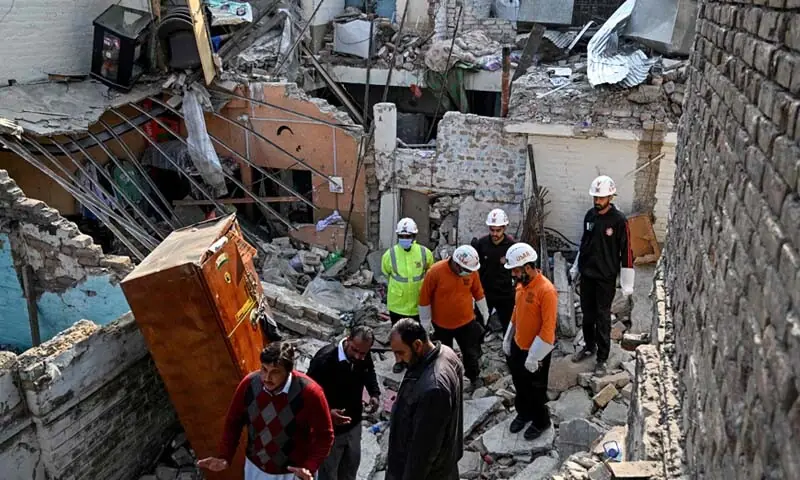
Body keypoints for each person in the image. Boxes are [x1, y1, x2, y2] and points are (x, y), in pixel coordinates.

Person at [198, 342, 334, 480]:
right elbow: (233, 422)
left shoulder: (310, 393)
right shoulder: (250, 384)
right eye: (264, 369)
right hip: (256, 469)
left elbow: (325, 435)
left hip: (293, 474)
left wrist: (310, 466)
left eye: (275, 372)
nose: (267, 378)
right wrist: (225, 456)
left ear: (288, 371)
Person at [570, 175, 635, 374]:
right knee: (587, 316)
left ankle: (602, 357)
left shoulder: (619, 221)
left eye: (602, 198)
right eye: (596, 198)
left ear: (610, 197)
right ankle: (589, 346)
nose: (598, 201)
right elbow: (584, 243)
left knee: (602, 316)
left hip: (605, 277)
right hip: (588, 274)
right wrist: (576, 267)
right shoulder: (590, 216)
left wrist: (626, 282)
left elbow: (627, 251)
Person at [385, 319, 463, 480]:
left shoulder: (433, 388)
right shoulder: (446, 353)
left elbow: (423, 452)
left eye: (400, 353)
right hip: (444, 463)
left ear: (417, 345)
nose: (398, 360)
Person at [307, 326, 382, 480]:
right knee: (328, 473)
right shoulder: (324, 360)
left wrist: (374, 393)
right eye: (355, 350)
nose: (359, 356)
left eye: (363, 353)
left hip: (354, 425)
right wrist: (328, 413)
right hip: (329, 430)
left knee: (350, 469)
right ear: (348, 340)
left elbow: (369, 371)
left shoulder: (362, 355)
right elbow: (307, 396)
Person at [501, 243, 557, 440]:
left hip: (537, 351)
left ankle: (541, 421)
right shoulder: (521, 286)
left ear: (527, 267)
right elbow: (517, 312)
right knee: (520, 383)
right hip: (519, 346)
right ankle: (523, 413)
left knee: (536, 390)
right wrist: (508, 337)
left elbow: (548, 329)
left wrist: (534, 356)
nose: (514, 275)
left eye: (516, 270)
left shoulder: (546, 290)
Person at [418, 244, 490, 389]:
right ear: (457, 264)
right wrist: (425, 323)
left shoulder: (471, 272)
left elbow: (478, 291)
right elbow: (424, 298)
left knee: (471, 352)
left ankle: (473, 376)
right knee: (443, 355)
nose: (469, 273)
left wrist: (485, 311)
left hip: (466, 322)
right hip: (442, 324)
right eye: (466, 270)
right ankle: (446, 380)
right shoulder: (436, 272)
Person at [381, 217, 434, 373]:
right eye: (402, 237)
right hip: (397, 304)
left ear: (414, 237)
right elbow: (386, 273)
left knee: (419, 336)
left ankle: (419, 359)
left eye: (408, 236)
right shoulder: (389, 255)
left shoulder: (425, 253)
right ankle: (400, 361)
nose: (405, 239)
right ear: (398, 236)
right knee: (398, 337)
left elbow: (430, 272)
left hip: (418, 303)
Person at [471, 208, 516, 332]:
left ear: (504, 228)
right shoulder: (481, 244)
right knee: (479, 325)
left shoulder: (511, 247)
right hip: (485, 293)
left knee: (509, 326)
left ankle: (508, 349)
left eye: (498, 230)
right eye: (492, 230)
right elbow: (475, 269)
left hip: (505, 294)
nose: (495, 234)